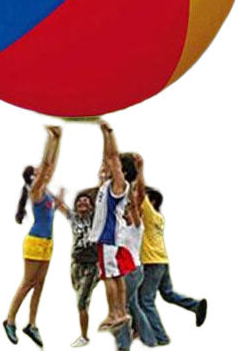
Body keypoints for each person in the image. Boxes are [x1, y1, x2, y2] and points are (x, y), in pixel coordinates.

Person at [3, 126, 62, 347]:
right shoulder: (35, 191)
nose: (42, 171)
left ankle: (32, 324)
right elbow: (47, 164)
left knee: (40, 284)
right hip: (35, 242)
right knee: (28, 282)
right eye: (37, 171)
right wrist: (51, 138)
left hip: (47, 243)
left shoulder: (45, 192)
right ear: (32, 178)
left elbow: (50, 166)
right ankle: (10, 320)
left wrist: (58, 139)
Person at [138, 185, 207, 346]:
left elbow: (140, 194)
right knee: (167, 293)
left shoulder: (149, 215)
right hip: (162, 261)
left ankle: (161, 337)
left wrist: (136, 177)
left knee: (146, 300)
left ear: (152, 202)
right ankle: (195, 305)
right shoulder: (158, 218)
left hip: (152, 262)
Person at [89, 121, 134, 332]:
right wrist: (104, 136)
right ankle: (121, 312)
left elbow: (113, 157)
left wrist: (109, 132)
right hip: (112, 237)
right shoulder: (108, 185)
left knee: (108, 276)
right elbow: (107, 158)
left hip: (108, 237)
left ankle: (114, 313)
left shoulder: (119, 185)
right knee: (116, 275)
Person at [113, 153, 157, 351]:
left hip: (131, 272)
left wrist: (139, 171)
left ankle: (124, 345)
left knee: (120, 308)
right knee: (133, 306)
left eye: (130, 211)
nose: (127, 213)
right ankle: (150, 339)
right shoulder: (122, 227)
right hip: (126, 270)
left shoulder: (137, 226)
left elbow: (136, 197)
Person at [56, 188, 100, 348]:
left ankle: (84, 336)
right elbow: (59, 205)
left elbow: (101, 201)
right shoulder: (73, 218)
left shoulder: (95, 218)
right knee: (80, 297)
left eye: (85, 201)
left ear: (91, 206)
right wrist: (61, 192)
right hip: (75, 263)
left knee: (81, 302)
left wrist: (101, 184)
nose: (82, 202)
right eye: (79, 201)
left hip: (91, 264)